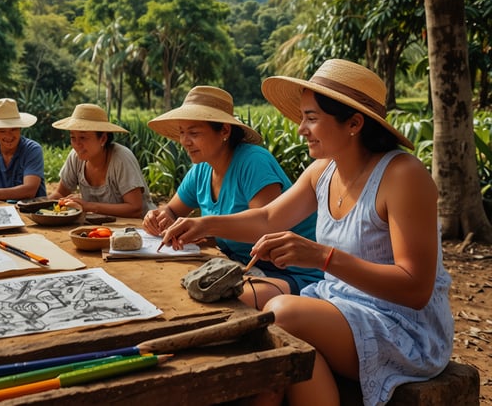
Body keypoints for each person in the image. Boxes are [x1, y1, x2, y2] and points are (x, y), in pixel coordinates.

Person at [161, 60, 454, 406]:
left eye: (311, 118)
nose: (301, 129)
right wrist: (205, 223)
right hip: (336, 303)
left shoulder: (403, 176)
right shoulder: (322, 171)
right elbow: (270, 216)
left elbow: (416, 288)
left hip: (402, 327)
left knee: (281, 312)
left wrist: (321, 256)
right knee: (256, 327)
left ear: (354, 123)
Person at [143, 86, 321, 309]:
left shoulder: (253, 162)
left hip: (290, 273)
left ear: (224, 131)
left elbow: (266, 230)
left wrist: (206, 227)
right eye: (182, 132)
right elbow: (172, 210)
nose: (185, 141)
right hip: (241, 268)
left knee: (219, 302)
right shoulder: (201, 170)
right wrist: (159, 218)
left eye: (194, 133)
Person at [48, 103, 155, 218]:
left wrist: (89, 206)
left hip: (138, 229)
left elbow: (135, 208)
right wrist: (41, 207)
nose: (77, 144)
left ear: (103, 139)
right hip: (100, 228)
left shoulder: (121, 159)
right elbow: (60, 193)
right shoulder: (76, 157)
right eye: (73, 137)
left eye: (83, 137)